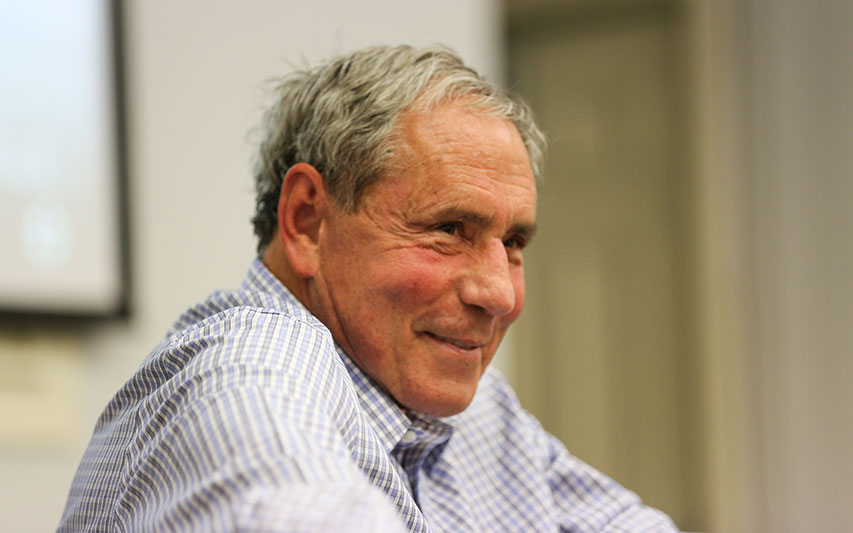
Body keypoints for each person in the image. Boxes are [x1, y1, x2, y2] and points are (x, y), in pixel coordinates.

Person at [59, 45, 678, 532]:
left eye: (513, 244)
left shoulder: (477, 411)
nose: (500, 294)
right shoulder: (248, 371)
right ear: (307, 221)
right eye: (448, 229)